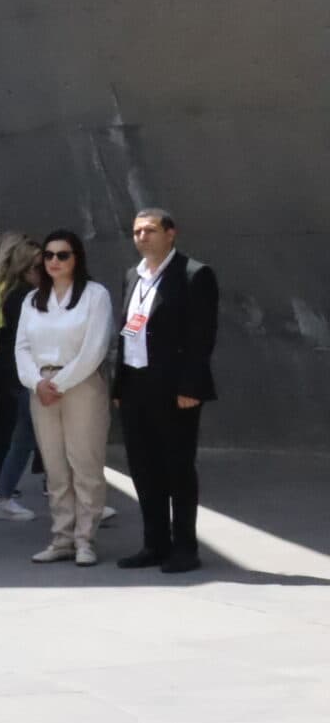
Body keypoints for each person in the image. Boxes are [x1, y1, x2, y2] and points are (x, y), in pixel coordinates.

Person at [113, 207, 217, 575]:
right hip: (136, 386)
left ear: (171, 233)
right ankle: (154, 544)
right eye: (137, 231)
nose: (142, 237)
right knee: (143, 469)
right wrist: (121, 383)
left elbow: (201, 337)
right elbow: (127, 331)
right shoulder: (133, 276)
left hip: (175, 389)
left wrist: (191, 386)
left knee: (177, 469)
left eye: (150, 230)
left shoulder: (193, 274)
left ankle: (185, 547)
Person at [18, 229, 112, 568]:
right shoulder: (33, 300)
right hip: (41, 388)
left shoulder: (95, 295)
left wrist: (60, 382)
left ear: (77, 258)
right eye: (49, 256)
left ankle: (85, 539)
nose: (55, 261)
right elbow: (22, 348)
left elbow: (96, 347)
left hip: (81, 384)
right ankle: (62, 538)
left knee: (84, 464)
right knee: (55, 468)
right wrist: (36, 382)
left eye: (63, 255)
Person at [0, 234, 44, 525]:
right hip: (19, 371)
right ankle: (3, 491)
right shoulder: (21, 296)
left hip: (9, 368)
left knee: (22, 433)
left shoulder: (5, 290)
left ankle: (2, 491)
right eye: (38, 265)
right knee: (26, 433)